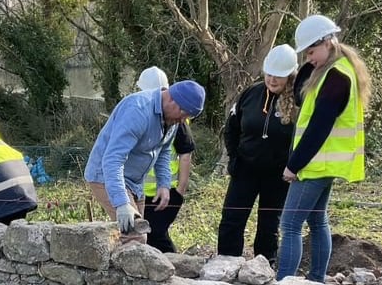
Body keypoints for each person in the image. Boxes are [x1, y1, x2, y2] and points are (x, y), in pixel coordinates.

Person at [277, 14, 371, 282]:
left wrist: (293, 164)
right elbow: (300, 97)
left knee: (290, 224)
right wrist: (311, 67)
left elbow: (319, 127)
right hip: (324, 162)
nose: (308, 57)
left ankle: (283, 284)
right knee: (317, 221)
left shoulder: (336, 77)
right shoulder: (336, 70)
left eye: (312, 51)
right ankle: (315, 281)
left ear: (328, 42)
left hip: (315, 163)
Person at [84, 79, 205, 243]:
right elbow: (113, 159)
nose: (183, 120)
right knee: (135, 237)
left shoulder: (171, 119)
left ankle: (113, 263)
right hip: (106, 176)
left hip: (134, 181)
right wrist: (121, 202)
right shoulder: (138, 111)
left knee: (139, 234)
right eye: (183, 114)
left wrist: (164, 184)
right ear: (172, 100)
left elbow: (163, 149)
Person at [217, 45, 299, 264]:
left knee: (269, 224)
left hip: (279, 174)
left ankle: (265, 266)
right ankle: (226, 263)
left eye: (278, 76)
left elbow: (305, 138)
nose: (272, 80)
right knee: (232, 219)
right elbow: (231, 128)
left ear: (290, 75)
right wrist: (234, 158)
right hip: (245, 168)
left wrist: (293, 165)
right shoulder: (251, 93)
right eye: (269, 74)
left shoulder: (300, 100)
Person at [137, 67, 195, 252]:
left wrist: (180, 189)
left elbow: (185, 154)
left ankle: (175, 270)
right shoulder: (141, 113)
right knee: (146, 236)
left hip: (164, 192)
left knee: (156, 236)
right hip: (140, 191)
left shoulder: (177, 119)